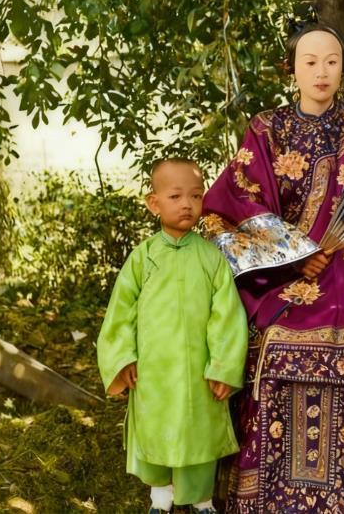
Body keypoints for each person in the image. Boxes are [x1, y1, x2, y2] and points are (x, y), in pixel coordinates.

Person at [201, 20, 344, 513]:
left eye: (332, 61)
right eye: (310, 62)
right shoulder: (266, 129)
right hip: (284, 279)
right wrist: (295, 256)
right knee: (272, 352)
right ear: (292, 69)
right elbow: (236, 201)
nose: (321, 72)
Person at [97, 158, 249, 514]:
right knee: (156, 427)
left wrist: (223, 367)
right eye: (175, 196)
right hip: (154, 371)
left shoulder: (212, 258)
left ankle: (202, 500)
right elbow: (120, 313)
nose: (187, 204)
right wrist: (124, 357)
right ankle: (160, 497)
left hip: (199, 372)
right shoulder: (143, 258)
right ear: (154, 203)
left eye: (195, 196)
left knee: (199, 433)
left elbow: (227, 317)